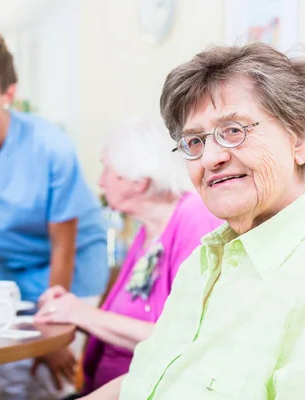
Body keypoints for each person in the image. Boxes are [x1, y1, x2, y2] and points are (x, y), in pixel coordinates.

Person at [86, 43, 305, 399]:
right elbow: (145, 383)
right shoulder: (202, 261)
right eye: (193, 141)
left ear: (303, 134)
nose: (209, 157)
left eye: (234, 130)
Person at [0, 30, 108, 399]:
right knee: (13, 374)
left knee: (55, 375)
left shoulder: (50, 145)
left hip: (71, 266)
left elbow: (64, 243)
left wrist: (52, 333)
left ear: (8, 94)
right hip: (12, 269)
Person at [34, 118, 224, 396]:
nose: (100, 181)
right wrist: (69, 310)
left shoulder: (194, 219)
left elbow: (188, 340)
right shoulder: (147, 230)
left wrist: (81, 314)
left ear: (140, 182)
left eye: (107, 169)